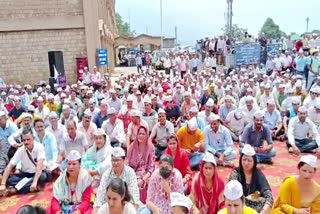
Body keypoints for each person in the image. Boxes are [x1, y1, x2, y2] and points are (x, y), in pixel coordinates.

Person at [0, 128, 49, 196]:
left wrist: (34, 182)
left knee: (42, 177)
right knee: (10, 179)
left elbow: (40, 166)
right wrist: (2, 184)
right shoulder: (21, 150)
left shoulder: (39, 147)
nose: (26, 142)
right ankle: (28, 187)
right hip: (26, 174)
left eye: (28, 139)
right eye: (24, 140)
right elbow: (9, 166)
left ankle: (14, 190)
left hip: (38, 173)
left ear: (33, 138)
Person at [94, 147, 141, 212]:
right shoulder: (106, 174)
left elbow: (134, 195)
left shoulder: (130, 173)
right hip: (110, 206)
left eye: (118, 160)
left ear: (124, 160)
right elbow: (100, 194)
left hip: (126, 206)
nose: (115, 163)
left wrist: (132, 210)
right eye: (113, 160)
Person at [229, 144, 273, 213]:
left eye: (249, 160)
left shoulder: (258, 174)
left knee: (263, 201)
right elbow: (232, 193)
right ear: (240, 160)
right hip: (239, 206)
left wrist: (263, 211)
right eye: (244, 160)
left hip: (255, 207)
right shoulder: (236, 173)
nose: (246, 163)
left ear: (254, 162)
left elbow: (269, 197)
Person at [127, 126, 155, 203]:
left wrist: (144, 179)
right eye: (139, 134)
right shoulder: (132, 146)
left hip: (146, 173)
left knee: (143, 183)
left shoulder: (151, 147)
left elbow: (152, 166)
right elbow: (128, 162)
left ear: (147, 135)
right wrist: (132, 175)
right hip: (133, 172)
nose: (141, 136)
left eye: (143, 134)